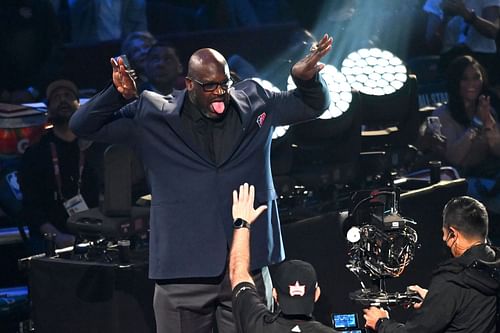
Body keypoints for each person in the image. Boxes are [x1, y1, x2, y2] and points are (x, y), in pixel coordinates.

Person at [69, 34, 333, 332]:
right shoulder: (153, 114)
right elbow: (82, 125)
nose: (219, 93)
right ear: (190, 84)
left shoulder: (256, 102)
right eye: (210, 86)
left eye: (224, 84)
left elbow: (313, 106)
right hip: (183, 269)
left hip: (246, 266)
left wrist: (305, 80)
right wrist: (116, 94)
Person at [363, 196, 500, 332]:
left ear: (453, 234)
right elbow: (471, 306)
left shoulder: (451, 280)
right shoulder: (494, 269)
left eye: (444, 233)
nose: (444, 239)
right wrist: (435, 299)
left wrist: (381, 323)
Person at [229, 182, 338, 332]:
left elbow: (237, 271)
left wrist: (242, 223)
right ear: (316, 294)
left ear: (275, 295)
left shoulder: (256, 324)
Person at [19, 80, 100, 252]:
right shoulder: (35, 153)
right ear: (48, 109)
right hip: (52, 240)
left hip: (97, 235)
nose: (63, 100)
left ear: (79, 105)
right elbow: (31, 207)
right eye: (56, 97)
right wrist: (57, 237)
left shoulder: (95, 148)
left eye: (68, 96)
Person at [432, 55, 500, 214]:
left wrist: (488, 122)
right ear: (455, 82)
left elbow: (497, 150)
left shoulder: (487, 110)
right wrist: (476, 123)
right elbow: (455, 157)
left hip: (490, 179)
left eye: (476, 78)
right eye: (465, 79)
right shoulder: (442, 114)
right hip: (460, 185)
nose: (472, 84)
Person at [423, 0, 500, 82]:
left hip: (482, 62)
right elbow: (432, 45)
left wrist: (466, 14)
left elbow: (493, 32)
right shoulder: (435, 1)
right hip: (448, 63)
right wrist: (445, 18)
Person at [68, 0, 148, 44]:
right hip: (92, 50)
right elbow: (74, 10)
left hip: (124, 50)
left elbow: (141, 34)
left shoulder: (136, 2)